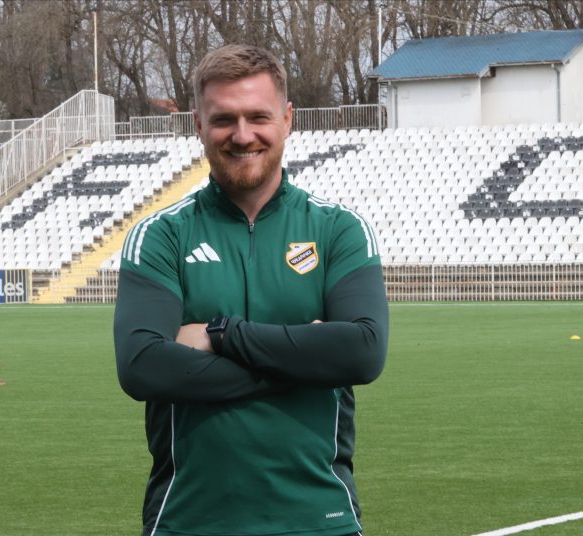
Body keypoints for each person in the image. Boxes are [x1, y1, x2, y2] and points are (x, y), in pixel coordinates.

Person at [114, 44, 389, 536]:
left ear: (287, 119)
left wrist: (221, 335)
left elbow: (362, 352)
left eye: (258, 117)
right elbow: (142, 366)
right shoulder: (162, 235)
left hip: (320, 520)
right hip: (188, 520)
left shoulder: (338, 230)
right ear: (199, 125)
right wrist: (303, 359)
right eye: (224, 119)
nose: (242, 136)